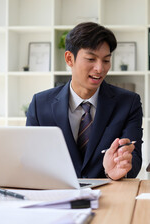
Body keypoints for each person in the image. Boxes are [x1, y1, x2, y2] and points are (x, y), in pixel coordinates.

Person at [26, 22, 143, 180]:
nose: (100, 68)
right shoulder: (40, 104)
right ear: (69, 58)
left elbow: (133, 159)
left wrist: (116, 170)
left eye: (106, 60)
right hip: (56, 195)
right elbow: (31, 160)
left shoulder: (128, 103)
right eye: (91, 59)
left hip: (109, 194)